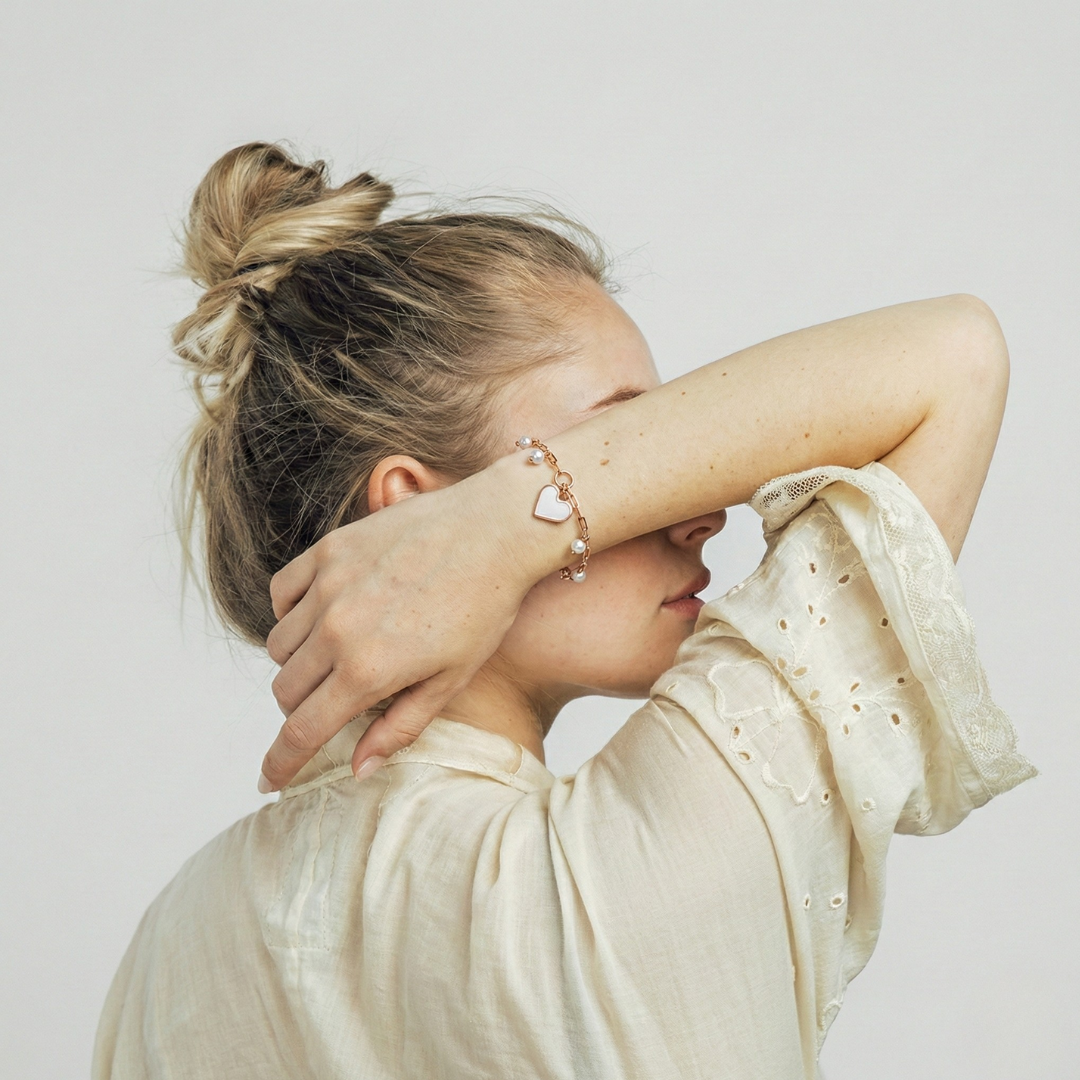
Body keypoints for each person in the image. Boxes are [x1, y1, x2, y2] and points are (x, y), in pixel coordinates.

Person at [93, 141, 1035, 1080]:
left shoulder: (170, 944)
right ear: (414, 509)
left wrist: (503, 515)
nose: (702, 506)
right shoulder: (649, 851)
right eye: (609, 443)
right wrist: (505, 526)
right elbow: (956, 354)